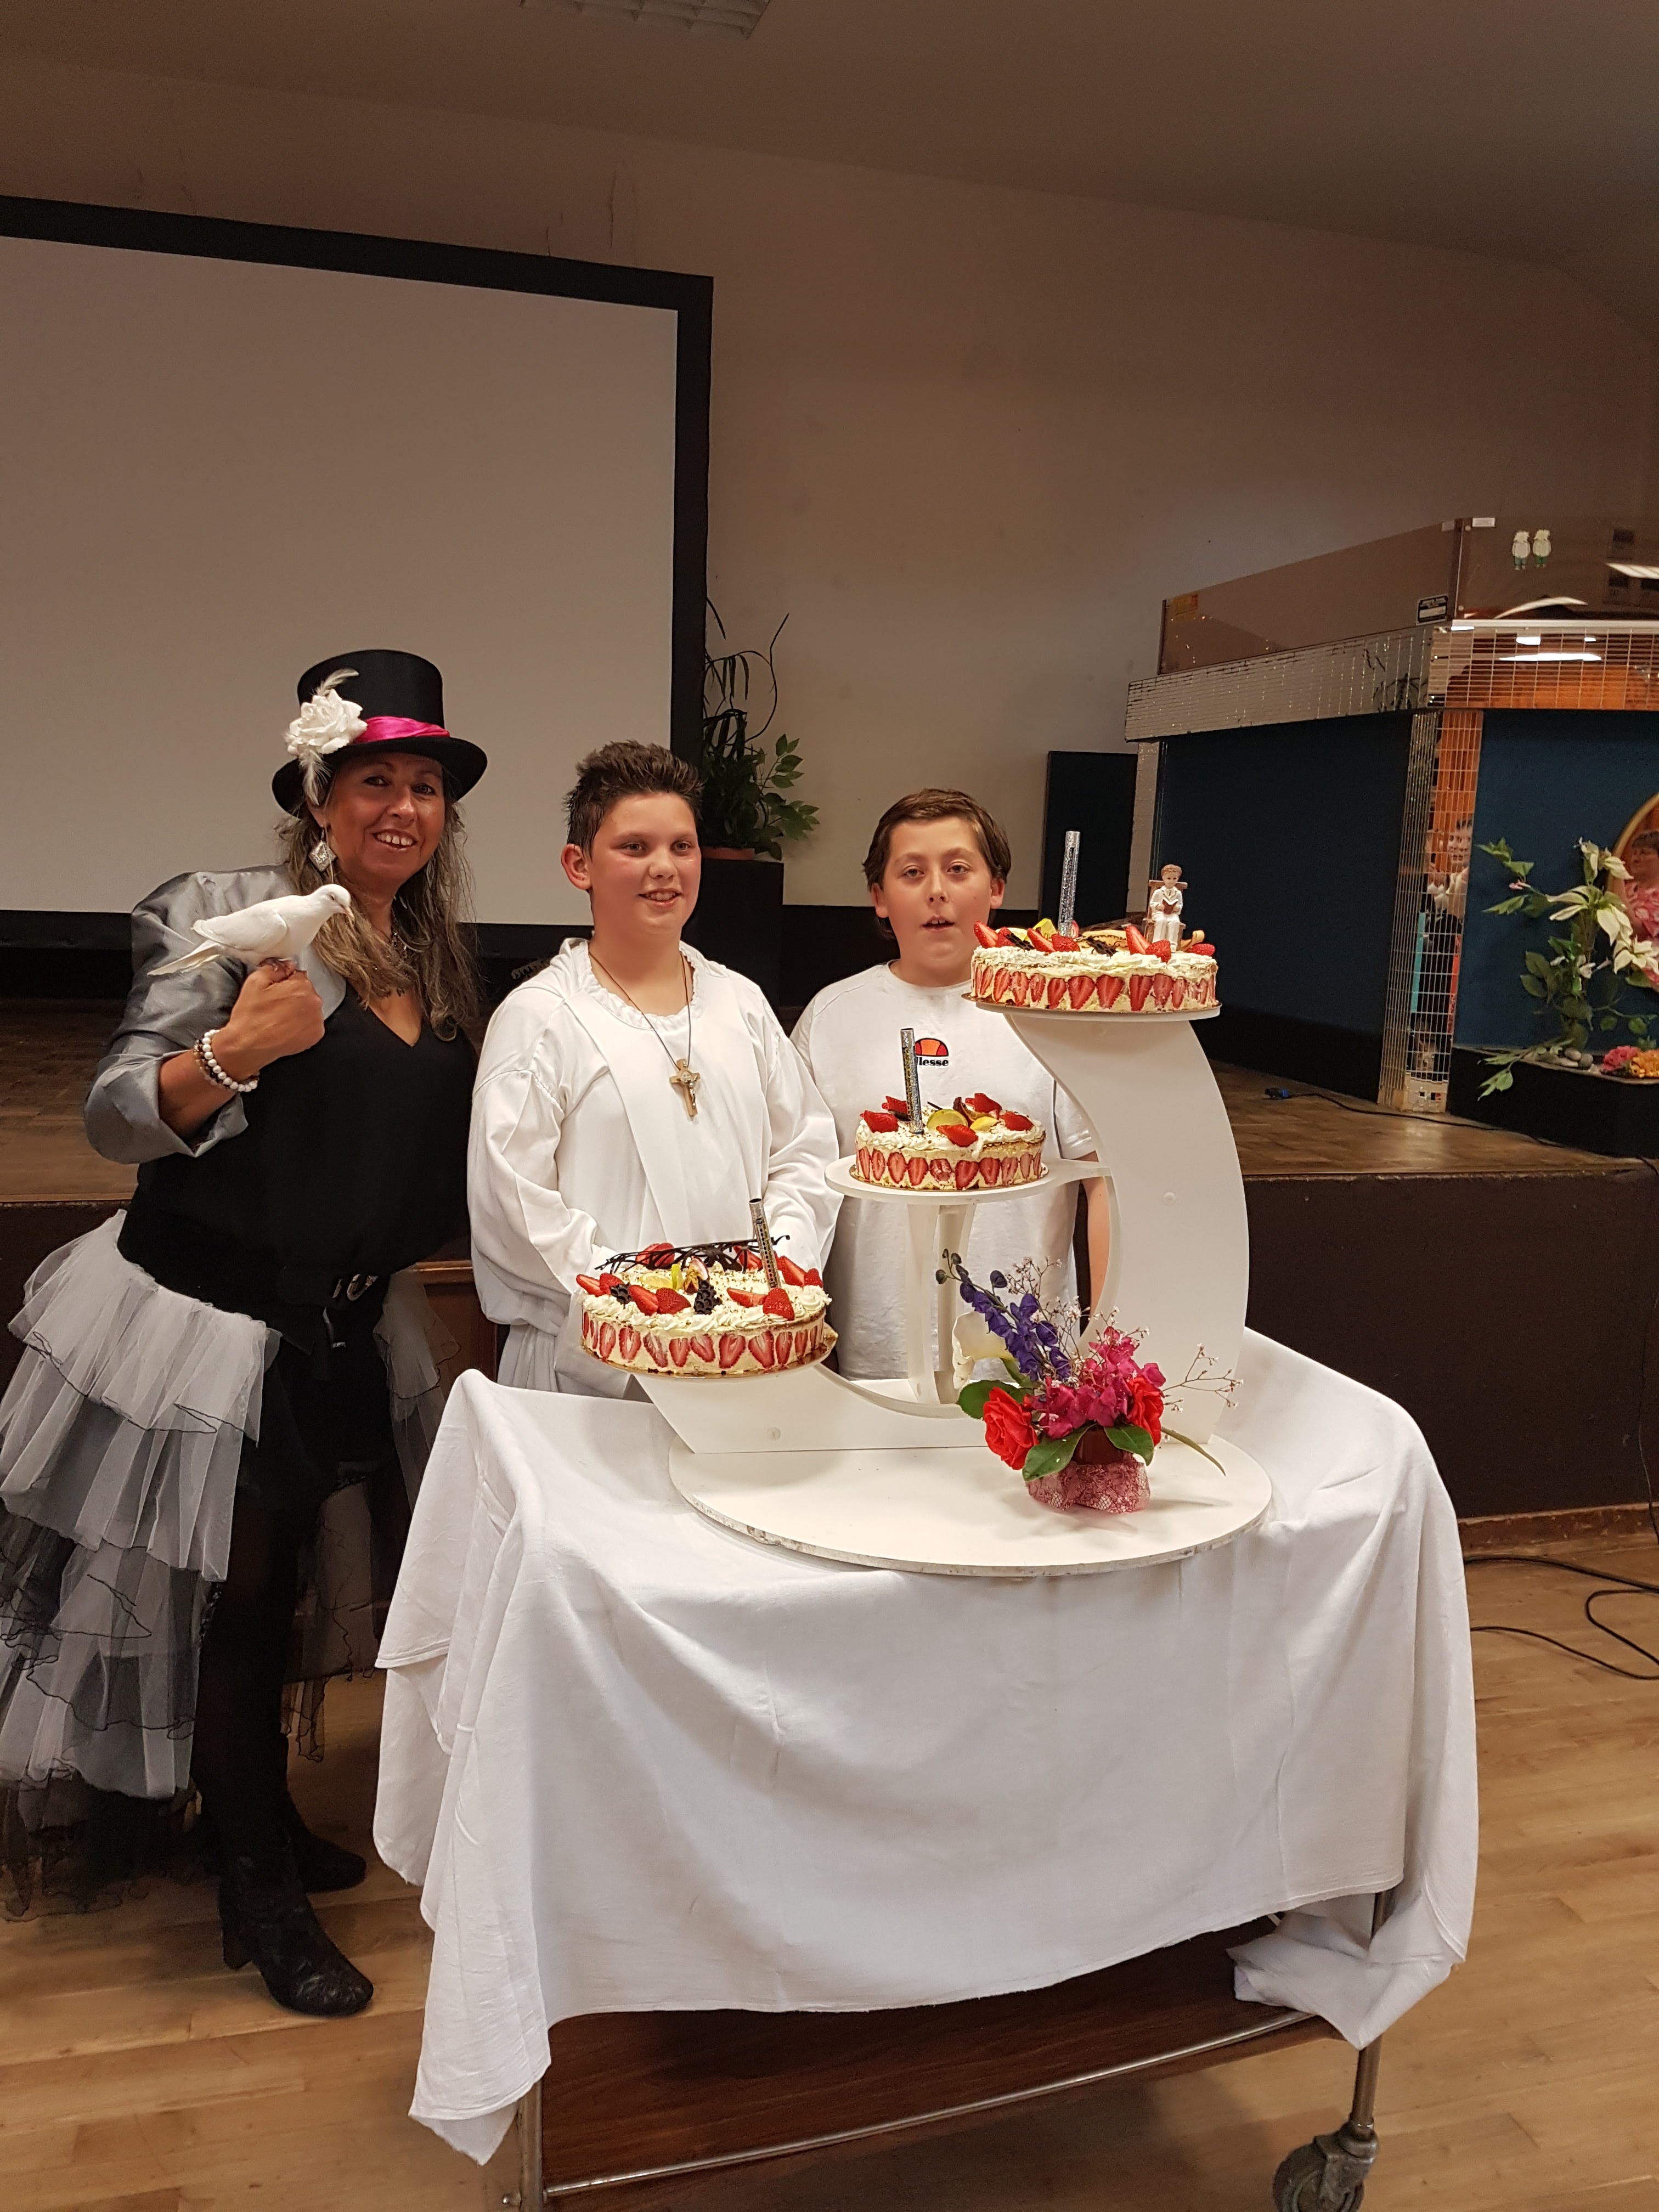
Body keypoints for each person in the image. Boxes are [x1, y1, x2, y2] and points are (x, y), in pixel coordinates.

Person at [0, 650, 484, 2016]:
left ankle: (242, 1814)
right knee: (234, 1598)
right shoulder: (219, 914)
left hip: (338, 1323)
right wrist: (232, 1053)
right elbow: (114, 1114)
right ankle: (255, 1889)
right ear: (317, 797)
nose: (401, 808)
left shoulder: (433, 952)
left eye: (424, 785)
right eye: (373, 781)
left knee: (276, 1594)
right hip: (207, 1322)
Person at [469, 741, 839, 1392]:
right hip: (596, 1362)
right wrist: (648, 1309)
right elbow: (514, 1208)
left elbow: (803, 1153)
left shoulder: (741, 1003)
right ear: (578, 865)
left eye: (682, 847)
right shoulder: (541, 1017)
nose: (664, 868)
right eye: (634, 847)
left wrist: (771, 1276)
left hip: (741, 1350)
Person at [792, 789, 1108, 1381]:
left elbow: (1104, 1182)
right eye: (912, 873)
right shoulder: (830, 1018)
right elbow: (797, 1186)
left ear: (996, 888)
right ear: (879, 897)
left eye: (958, 869)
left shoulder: (1048, 1017)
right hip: (873, 1356)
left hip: (1029, 1364)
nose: (936, 890)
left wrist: (1106, 1342)